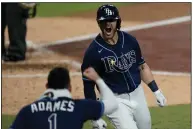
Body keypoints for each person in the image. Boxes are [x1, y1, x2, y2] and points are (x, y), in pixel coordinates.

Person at [81, 4, 167, 129]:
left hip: (138, 94)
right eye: (103, 21)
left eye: (111, 20)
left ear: (118, 21)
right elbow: (88, 86)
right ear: (99, 23)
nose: (107, 24)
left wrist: (156, 91)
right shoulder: (93, 52)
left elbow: (141, 66)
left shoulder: (130, 40)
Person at [9, 67, 118, 129]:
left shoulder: (27, 111)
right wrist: (98, 79)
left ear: (47, 86)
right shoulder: (80, 107)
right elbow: (113, 104)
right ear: (69, 88)